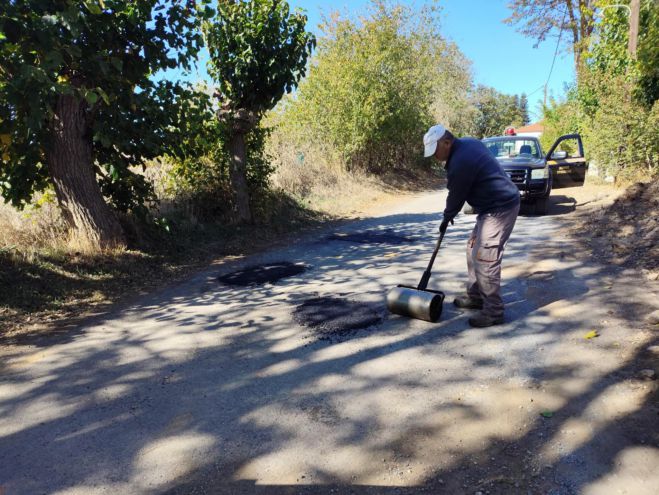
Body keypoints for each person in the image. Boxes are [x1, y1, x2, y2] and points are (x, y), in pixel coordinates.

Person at [423, 124, 520, 328]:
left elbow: (456, 196)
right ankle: (476, 296)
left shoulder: (460, 161)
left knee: (485, 256)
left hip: (500, 207)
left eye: (435, 151)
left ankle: (494, 311)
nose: (434, 156)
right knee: (472, 248)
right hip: (489, 207)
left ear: (447, 142)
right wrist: (448, 214)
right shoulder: (467, 143)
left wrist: (447, 216)